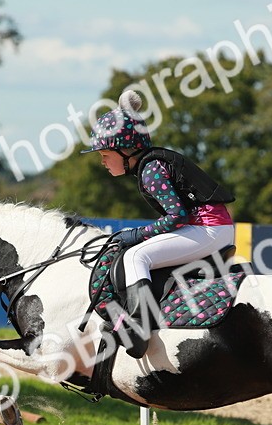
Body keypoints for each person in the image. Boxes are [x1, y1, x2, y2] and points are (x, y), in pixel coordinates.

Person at [81, 89, 236, 357]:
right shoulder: (152, 164)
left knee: (135, 257)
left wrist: (137, 234)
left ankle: (138, 330)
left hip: (208, 229)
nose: (103, 161)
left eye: (105, 153)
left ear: (125, 150)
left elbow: (177, 216)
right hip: (210, 228)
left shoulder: (151, 169)